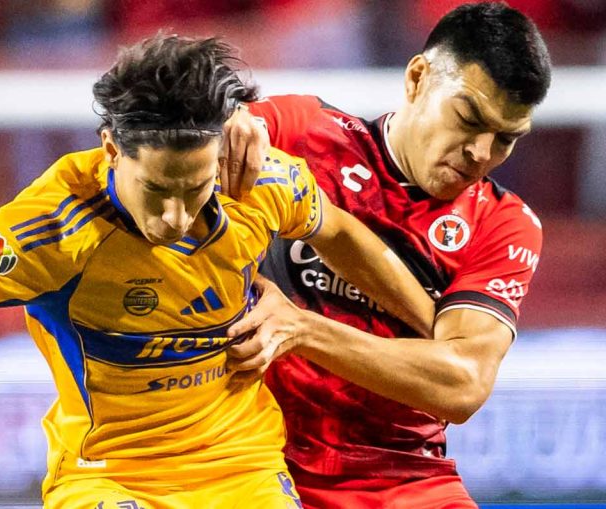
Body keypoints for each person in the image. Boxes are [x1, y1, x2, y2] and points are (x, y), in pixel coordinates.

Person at [0, 34, 435, 508]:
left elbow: (338, 233)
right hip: (109, 477)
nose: (176, 216)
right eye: (157, 190)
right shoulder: (54, 225)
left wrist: (431, 324)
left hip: (242, 468)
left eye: (196, 187)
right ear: (112, 150)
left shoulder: (258, 181)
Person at [223, 2, 552, 508]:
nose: (481, 154)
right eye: (468, 118)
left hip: (402, 476)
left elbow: (462, 384)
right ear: (417, 78)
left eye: (506, 139)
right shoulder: (302, 131)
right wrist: (220, 119)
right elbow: (162, 138)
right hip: (251, 458)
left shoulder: (503, 223)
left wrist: (302, 329)